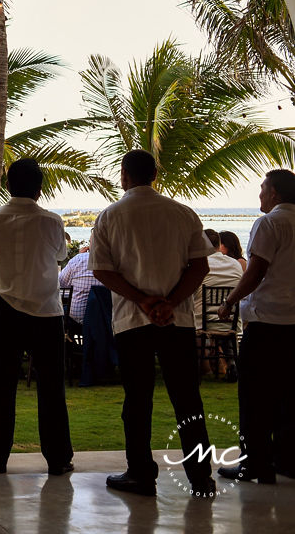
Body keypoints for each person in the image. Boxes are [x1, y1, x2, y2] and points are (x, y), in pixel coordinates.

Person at [89, 149, 215, 497]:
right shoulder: (183, 213)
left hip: (133, 320)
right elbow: (200, 267)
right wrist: (170, 302)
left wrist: (143, 301)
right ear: (154, 175)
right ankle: (200, 476)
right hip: (179, 319)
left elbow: (101, 270)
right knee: (188, 398)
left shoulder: (110, 216)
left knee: (138, 399)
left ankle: (141, 473)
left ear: (123, 175)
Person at [0, 158, 73, 476]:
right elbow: (60, 255)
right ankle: (58, 457)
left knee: (2, 386)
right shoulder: (52, 221)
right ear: (39, 188)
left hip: (4, 307)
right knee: (51, 387)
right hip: (46, 309)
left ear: (8, 185)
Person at [215, 170, 295, 484]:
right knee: (290, 396)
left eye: (262, 188)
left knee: (255, 397)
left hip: (267, 322)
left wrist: (229, 301)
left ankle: (255, 464)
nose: (259, 194)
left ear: (274, 193)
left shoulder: (270, 222)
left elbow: (256, 271)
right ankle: (287, 460)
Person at [193, 230, 244, 331]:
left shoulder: (198, 266)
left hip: (201, 327)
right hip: (232, 327)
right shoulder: (236, 264)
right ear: (219, 244)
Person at [58, 247, 103, 335]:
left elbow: (61, 283)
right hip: (103, 322)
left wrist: (79, 256)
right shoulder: (112, 261)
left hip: (76, 323)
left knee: (61, 311)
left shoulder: (78, 259)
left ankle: (69, 345)